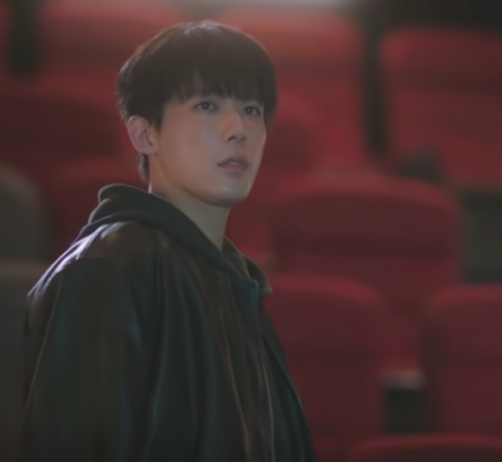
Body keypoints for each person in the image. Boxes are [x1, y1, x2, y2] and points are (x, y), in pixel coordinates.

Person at [21, 21, 316, 462]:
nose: (238, 129)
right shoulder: (107, 269)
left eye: (252, 109)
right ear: (144, 135)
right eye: (207, 105)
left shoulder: (235, 281)